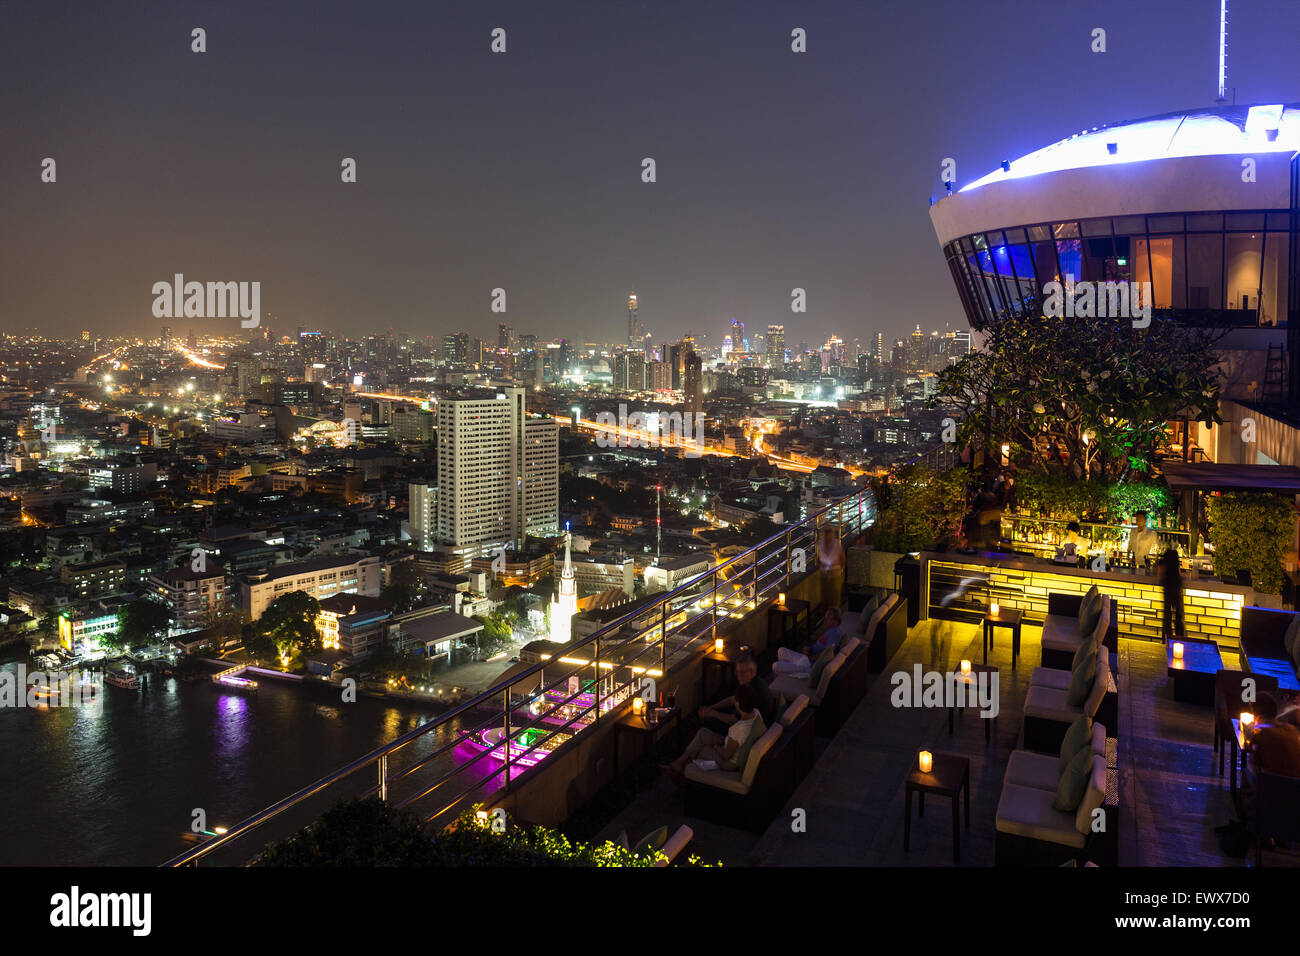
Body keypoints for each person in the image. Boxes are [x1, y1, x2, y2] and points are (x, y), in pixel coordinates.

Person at [663, 683, 760, 781]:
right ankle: (678, 764)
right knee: (703, 733)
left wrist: (716, 747)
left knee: (699, 748)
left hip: (729, 764)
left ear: (738, 703)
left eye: (735, 699)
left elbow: (726, 756)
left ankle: (683, 774)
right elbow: (739, 740)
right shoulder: (756, 714)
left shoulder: (738, 729)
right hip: (734, 747)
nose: (733, 700)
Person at [698, 652, 775, 730]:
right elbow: (733, 699)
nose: (739, 676)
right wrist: (711, 707)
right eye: (737, 672)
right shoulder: (753, 682)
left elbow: (734, 720)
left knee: (710, 723)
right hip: (752, 720)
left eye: (742, 672)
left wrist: (712, 713)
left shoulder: (752, 692)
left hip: (753, 727)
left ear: (752, 672)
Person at [772, 607, 845, 677]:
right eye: (826, 617)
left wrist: (810, 658)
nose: (825, 620)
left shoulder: (835, 633)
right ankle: (789, 671)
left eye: (828, 618)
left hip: (810, 666)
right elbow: (820, 647)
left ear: (836, 621)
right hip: (807, 659)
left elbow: (827, 654)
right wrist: (809, 649)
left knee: (775, 666)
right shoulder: (830, 631)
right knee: (780, 650)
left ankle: (785, 678)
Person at [817, 525, 846, 611]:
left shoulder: (837, 545)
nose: (827, 536)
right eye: (825, 534)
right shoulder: (820, 545)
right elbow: (818, 559)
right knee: (824, 598)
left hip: (835, 575)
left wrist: (836, 568)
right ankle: (826, 618)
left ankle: (836, 619)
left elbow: (843, 559)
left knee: (834, 599)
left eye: (829, 534)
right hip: (824, 575)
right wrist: (822, 567)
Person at [1159, 547, 1184, 642]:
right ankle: (1180, 640)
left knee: (1167, 618)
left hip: (1168, 587)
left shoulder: (1163, 563)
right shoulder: (1176, 570)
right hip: (1177, 587)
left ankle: (1166, 641)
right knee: (1179, 617)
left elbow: (1159, 574)